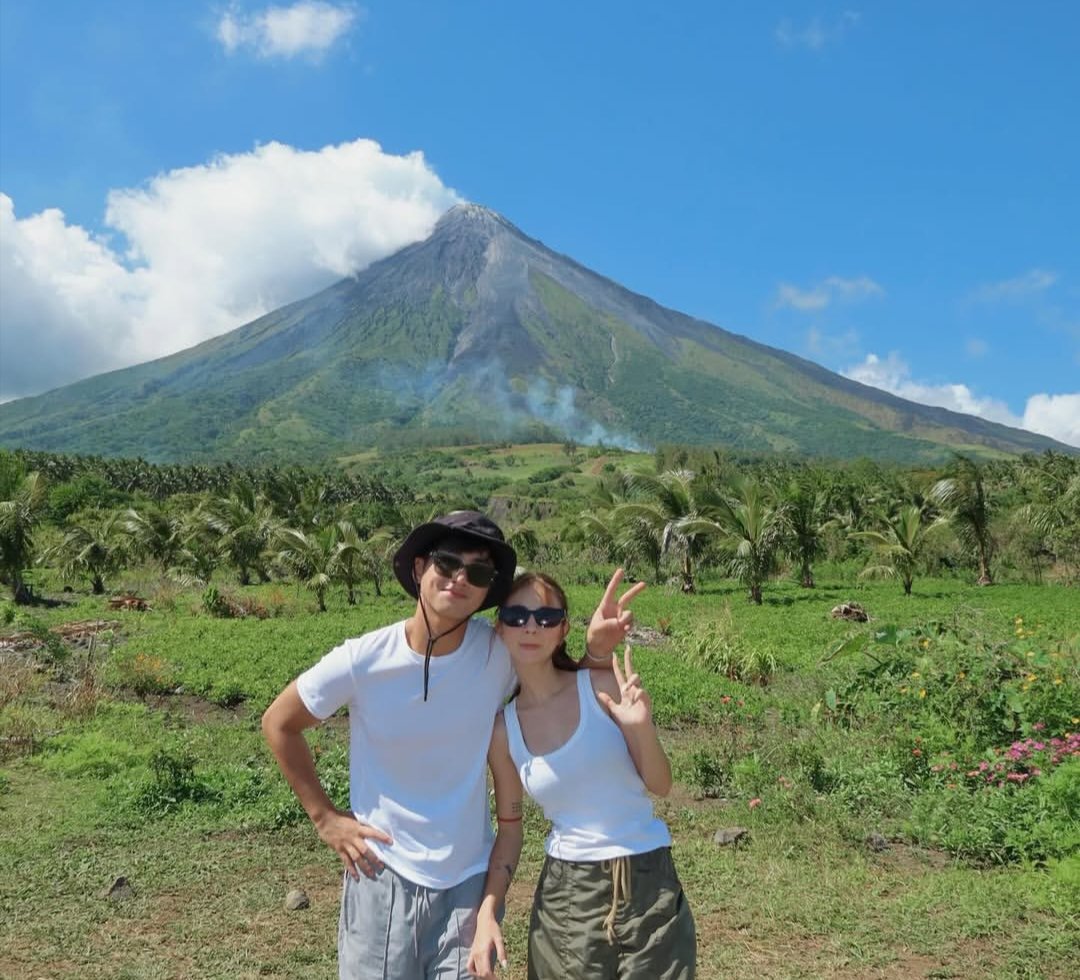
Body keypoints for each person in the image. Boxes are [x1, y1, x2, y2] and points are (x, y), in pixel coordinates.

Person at [261, 511, 642, 980]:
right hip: (382, 875)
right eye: (447, 563)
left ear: (488, 590)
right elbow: (279, 723)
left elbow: (561, 681)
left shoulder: (497, 650)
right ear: (420, 568)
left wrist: (598, 652)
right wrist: (326, 819)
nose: (460, 578)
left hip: (468, 882)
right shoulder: (363, 660)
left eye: (479, 572)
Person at [469, 571, 695, 980]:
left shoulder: (602, 685)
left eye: (547, 616)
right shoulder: (504, 730)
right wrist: (488, 912)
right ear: (499, 627)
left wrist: (641, 727)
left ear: (563, 629)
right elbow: (510, 831)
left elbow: (661, 785)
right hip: (568, 894)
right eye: (517, 615)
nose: (532, 626)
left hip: (650, 881)